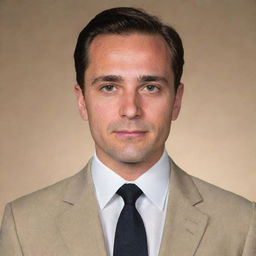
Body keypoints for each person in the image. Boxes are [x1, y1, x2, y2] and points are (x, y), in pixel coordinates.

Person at [0, 7, 255, 256]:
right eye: (109, 87)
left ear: (176, 100)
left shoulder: (242, 225)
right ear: (82, 101)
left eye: (150, 87)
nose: (131, 109)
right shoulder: (23, 226)